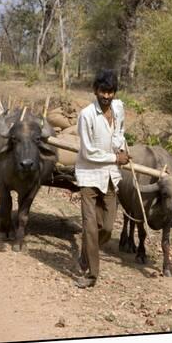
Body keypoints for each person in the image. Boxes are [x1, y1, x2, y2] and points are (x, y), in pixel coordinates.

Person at [74, 70, 130, 288]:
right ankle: (91, 275)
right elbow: (88, 152)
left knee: (106, 227)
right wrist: (116, 158)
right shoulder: (86, 115)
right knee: (90, 225)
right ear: (95, 91)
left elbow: (120, 133)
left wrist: (122, 149)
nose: (107, 96)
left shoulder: (118, 109)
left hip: (110, 177)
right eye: (103, 91)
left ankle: (87, 251)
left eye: (110, 92)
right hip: (89, 176)